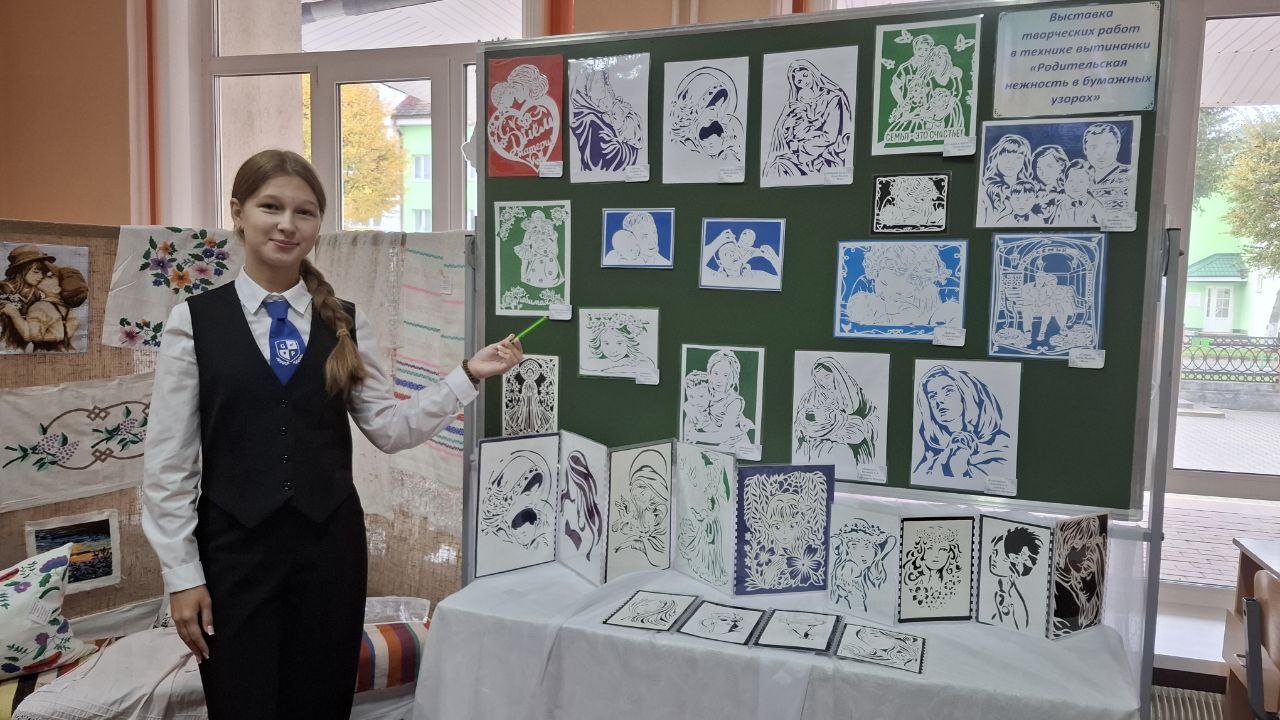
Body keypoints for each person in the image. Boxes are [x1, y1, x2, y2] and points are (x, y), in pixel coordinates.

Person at [141, 149, 523, 720]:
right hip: (232, 556)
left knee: (321, 704)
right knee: (241, 705)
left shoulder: (345, 321)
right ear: (238, 212)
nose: (287, 225)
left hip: (329, 552)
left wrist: (466, 375)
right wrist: (181, 576)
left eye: (305, 212)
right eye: (271, 207)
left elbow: (389, 429)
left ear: (319, 223)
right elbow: (169, 465)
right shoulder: (192, 323)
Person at [914, 365, 1013, 479]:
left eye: (948, 391)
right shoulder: (930, 458)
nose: (939, 400)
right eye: (932, 396)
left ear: (966, 395)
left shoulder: (1002, 445)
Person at [762, 59, 851, 179]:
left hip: (823, 157)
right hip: (797, 154)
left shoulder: (833, 98)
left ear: (813, 73)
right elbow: (783, 133)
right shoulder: (795, 104)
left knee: (782, 167)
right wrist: (788, 126)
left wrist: (800, 148)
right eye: (799, 81)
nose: (804, 82)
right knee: (776, 168)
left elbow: (829, 137)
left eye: (805, 75)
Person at [793, 357, 877, 469]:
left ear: (836, 373)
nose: (824, 382)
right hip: (819, 442)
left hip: (851, 440)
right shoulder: (810, 396)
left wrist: (844, 423)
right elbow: (801, 421)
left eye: (827, 376)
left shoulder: (854, 390)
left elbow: (871, 417)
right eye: (819, 379)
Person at [0, 265, 88, 351]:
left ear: (56, 289)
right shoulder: (69, 310)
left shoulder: (40, 307)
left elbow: (29, 335)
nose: (44, 276)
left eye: (50, 277)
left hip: (46, 353)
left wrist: (13, 313)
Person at [987, 526, 1044, 629]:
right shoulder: (992, 588)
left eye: (1000, 555)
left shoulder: (1018, 597)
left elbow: (1022, 627)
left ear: (1016, 560)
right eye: (993, 552)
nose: (993, 558)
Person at [979, 134, 1032, 223]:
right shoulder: (984, 193)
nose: (1011, 162)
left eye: (1018, 157)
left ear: (1024, 162)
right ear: (996, 158)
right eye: (1006, 156)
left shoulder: (1032, 191)